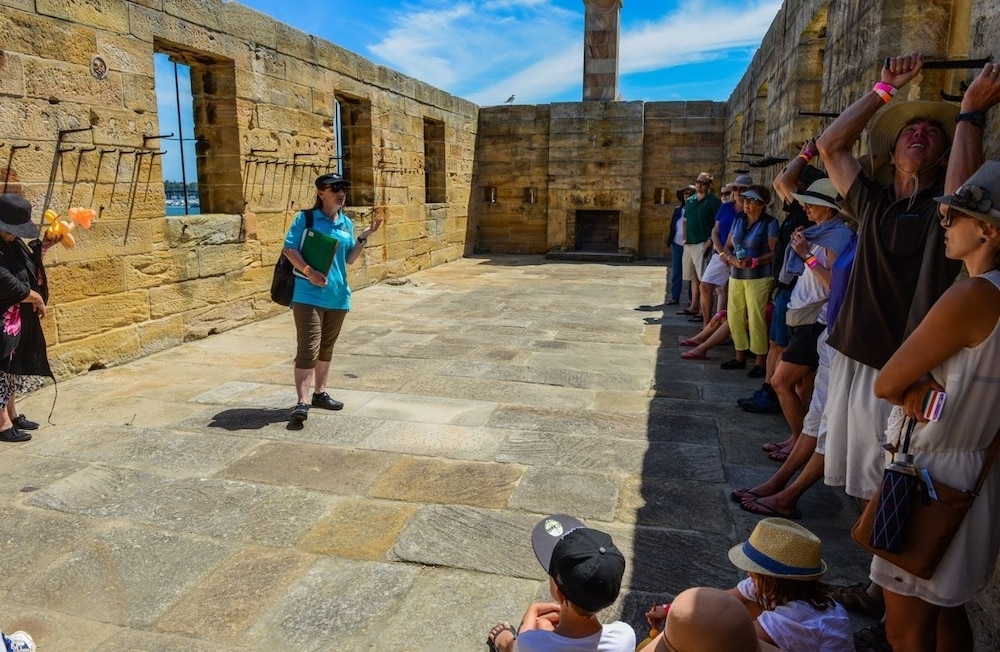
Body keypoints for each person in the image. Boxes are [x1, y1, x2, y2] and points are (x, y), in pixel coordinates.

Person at [869, 160, 1000, 651]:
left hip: (928, 475)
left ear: (987, 230)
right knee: (947, 612)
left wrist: (912, 381)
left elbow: (887, 381)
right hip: (975, 470)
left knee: (905, 628)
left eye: (954, 217)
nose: (943, 224)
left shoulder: (972, 295)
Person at [732, 180, 855, 518]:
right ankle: (791, 453)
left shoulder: (839, 237)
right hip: (810, 322)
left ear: (830, 208)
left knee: (782, 382)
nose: (806, 208)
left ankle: (788, 472)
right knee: (804, 390)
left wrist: (804, 256)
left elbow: (834, 284)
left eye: (812, 203)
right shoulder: (819, 232)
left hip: (821, 322)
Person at [281, 173, 382, 424]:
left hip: (337, 295)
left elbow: (349, 258)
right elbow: (289, 248)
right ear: (320, 193)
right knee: (308, 348)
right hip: (308, 294)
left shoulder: (346, 223)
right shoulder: (306, 219)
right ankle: (302, 402)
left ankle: (320, 393)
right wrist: (309, 272)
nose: (341, 192)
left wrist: (364, 236)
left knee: (326, 348)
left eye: (344, 188)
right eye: (334, 188)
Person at [739, 152, 822, 415]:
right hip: (785, 287)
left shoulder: (807, 215)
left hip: (796, 289)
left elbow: (781, 180)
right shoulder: (798, 211)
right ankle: (769, 390)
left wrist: (807, 154)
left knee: (784, 345)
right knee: (777, 343)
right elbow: (780, 181)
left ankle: (778, 394)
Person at [486, 514, 635, 652]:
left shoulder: (530, 644)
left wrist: (532, 612)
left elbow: (523, 646)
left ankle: (502, 642)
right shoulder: (624, 637)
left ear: (560, 594)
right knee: (543, 626)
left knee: (513, 642)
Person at [0, 194, 57, 443]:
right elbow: (2, 278)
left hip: (16, 318)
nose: (15, 234)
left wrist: (44, 246)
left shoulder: (13, 243)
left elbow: (29, 266)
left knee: (13, 367)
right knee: (2, 368)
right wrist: (31, 295)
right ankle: (1, 423)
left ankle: (11, 414)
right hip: (3, 317)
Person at [719, 185, 778, 376]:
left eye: (751, 200)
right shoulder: (738, 220)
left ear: (762, 204)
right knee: (734, 315)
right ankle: (739, 355)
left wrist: (755, 261)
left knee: (756, 318)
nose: (746, 203)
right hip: (736, 274)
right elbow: (728, 245)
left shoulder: (770, 223)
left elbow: (774, 251)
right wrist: (729, 258)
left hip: (759, 276)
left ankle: (760, 360)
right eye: (745, 200)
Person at [642, 587, 779, 652]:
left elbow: (724, 634)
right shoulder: (758, 584)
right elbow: (717, 604)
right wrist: (668, 609)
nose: (749, 574)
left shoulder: (785, 621)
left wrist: (681, 630)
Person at [697, 176, 750, 326]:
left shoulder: (749, 210)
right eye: (735, 189)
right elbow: (715, 231)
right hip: (721, 253)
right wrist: (721, 253)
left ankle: (725, 326)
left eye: (742, 189)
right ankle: (707, 325)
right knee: (705, 285)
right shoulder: (726, 207)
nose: (737, 192)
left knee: (731, 292)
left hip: (741, 255)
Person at [677, 173, 721, 320]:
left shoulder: (713, 202)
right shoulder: (690, 201)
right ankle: (694, 306)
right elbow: (685, 220)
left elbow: (717, 223)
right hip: (689, 243)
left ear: (709, 185)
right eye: (698, 182)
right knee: (693, 278)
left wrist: (710, 240)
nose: (699, 185)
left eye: (703, 183)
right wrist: (684, 237)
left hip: (702, 243)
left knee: (704, 279)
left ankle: (704, 311)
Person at [667, 186, 696, 306]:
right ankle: (675, 297)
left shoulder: (695, 209)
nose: (687, 195)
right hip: (677, 243)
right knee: (676, 271)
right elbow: (673, 225)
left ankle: (691, 299)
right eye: (685, 193)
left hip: (690, 243)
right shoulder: (678, 210)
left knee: (690, 272)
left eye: (690, 193)